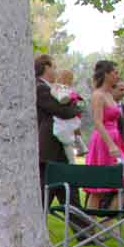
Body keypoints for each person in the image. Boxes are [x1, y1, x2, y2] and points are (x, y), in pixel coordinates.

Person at [36, 55, 92, 234]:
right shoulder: (40, 88)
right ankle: (38, 231)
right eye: (54, 67)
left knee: (68, 190)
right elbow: (60, 110)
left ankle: (83, 232)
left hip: (59, 147)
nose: (56, 71)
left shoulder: (51, 88)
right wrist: (75, 109)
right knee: (46, 191)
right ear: (46, 67)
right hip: (49, 148)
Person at [83, 60, 124, 211]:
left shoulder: (109, 95)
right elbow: (98, 122)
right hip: (103, 142)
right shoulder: (98, 95)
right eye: (115, 72)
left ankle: (108, 220)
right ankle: (92, 226)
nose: (117, 75)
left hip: (115, 140)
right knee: (98, 189)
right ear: (106, 74)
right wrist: (110, 144)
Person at [50, 69, 84, 164]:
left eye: (70, 79)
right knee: (68, 138)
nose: (68, 80)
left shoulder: (68, 89)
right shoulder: (59, 88)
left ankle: (78, 148)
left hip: (69, 117)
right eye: (68, 78)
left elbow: (80, 102)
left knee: (70, 137)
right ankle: (77, 150)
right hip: (66, 118)